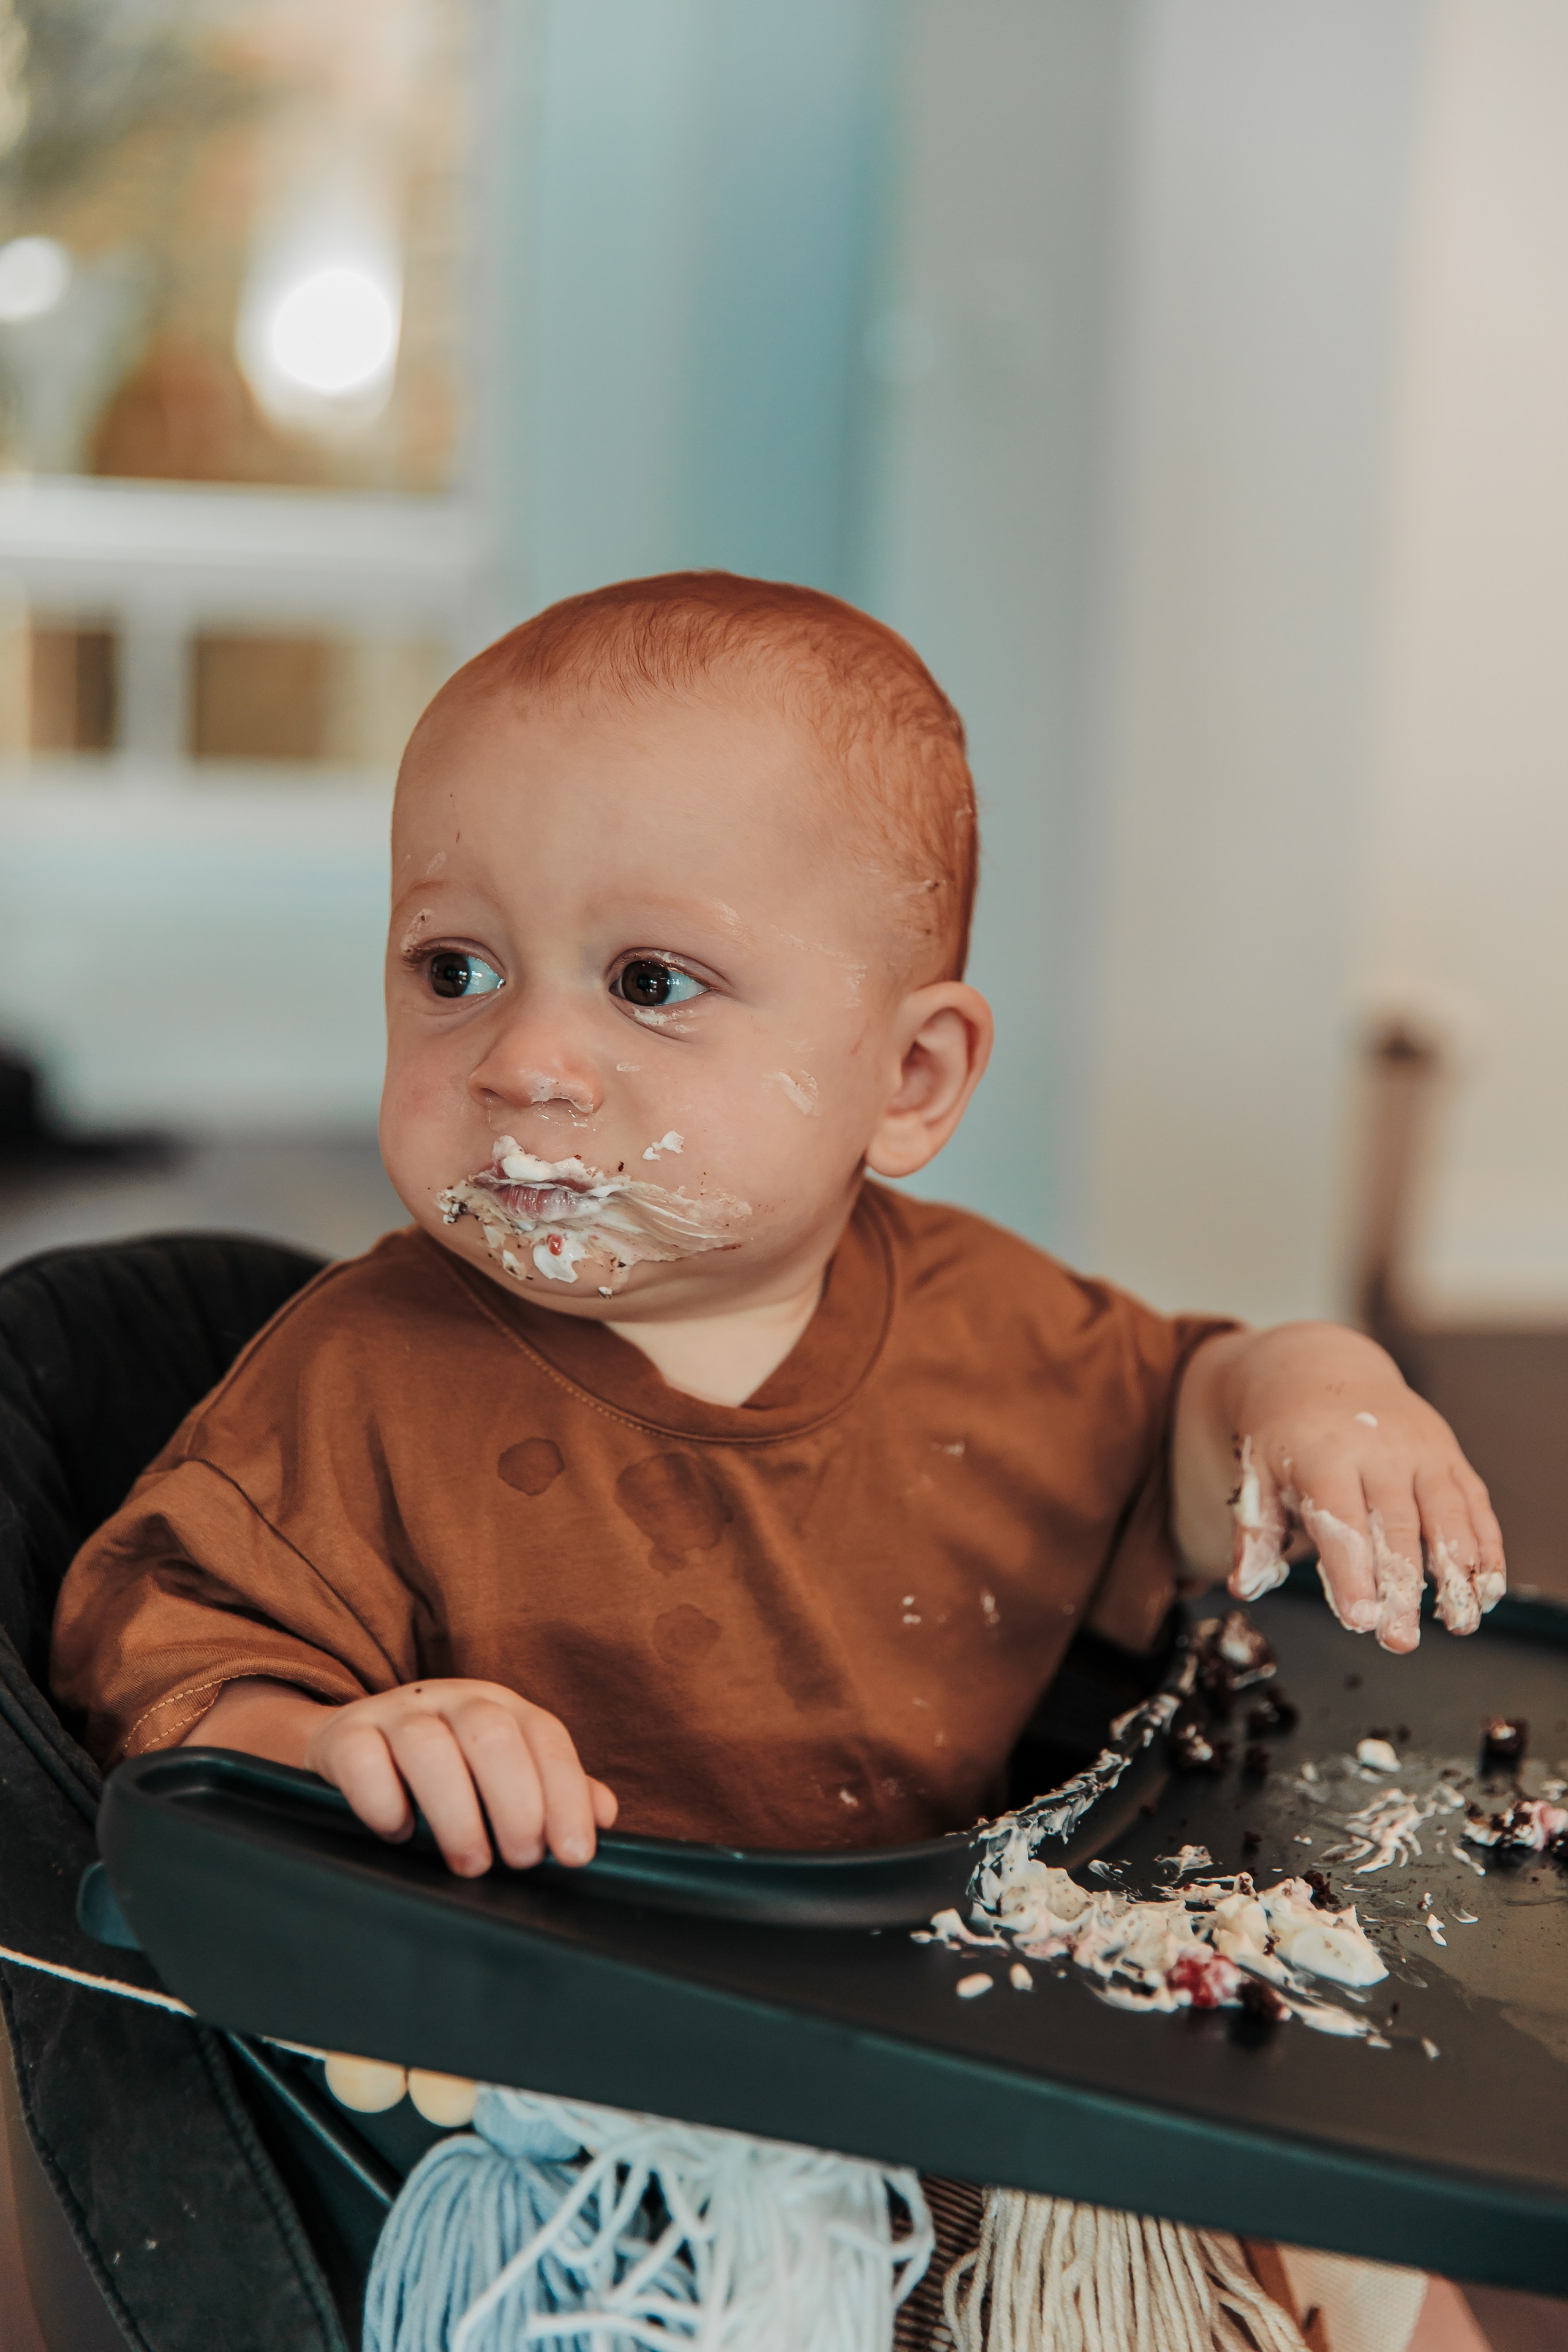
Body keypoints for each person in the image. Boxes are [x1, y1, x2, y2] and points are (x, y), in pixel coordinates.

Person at [51, 570, 1502, 1882]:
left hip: (917, 2007)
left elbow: (1188, 1442)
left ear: (908, 1078)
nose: (521, 1060)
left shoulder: (989, 1336)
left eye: (650, 983)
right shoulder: (357, 1384)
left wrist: (1317, 1387)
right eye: (453, 968)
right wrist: (339, 1746)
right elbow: (157, 1680)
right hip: (542, 2048)